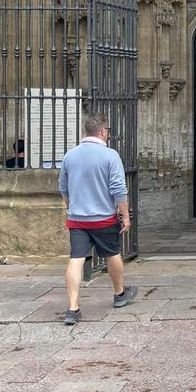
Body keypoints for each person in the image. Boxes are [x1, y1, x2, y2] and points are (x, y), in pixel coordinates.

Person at [58, 114, 137, 325]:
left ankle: (73, 308)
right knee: (112, 254)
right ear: (102, 131)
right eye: (107, 131)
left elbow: (63, 188)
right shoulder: (110, 155)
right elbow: (119, 189)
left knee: (76, 259)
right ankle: (119, 293)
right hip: (103, 218)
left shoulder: (70, 155)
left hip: (77, 219)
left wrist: (71, 208)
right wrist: (125, 216)